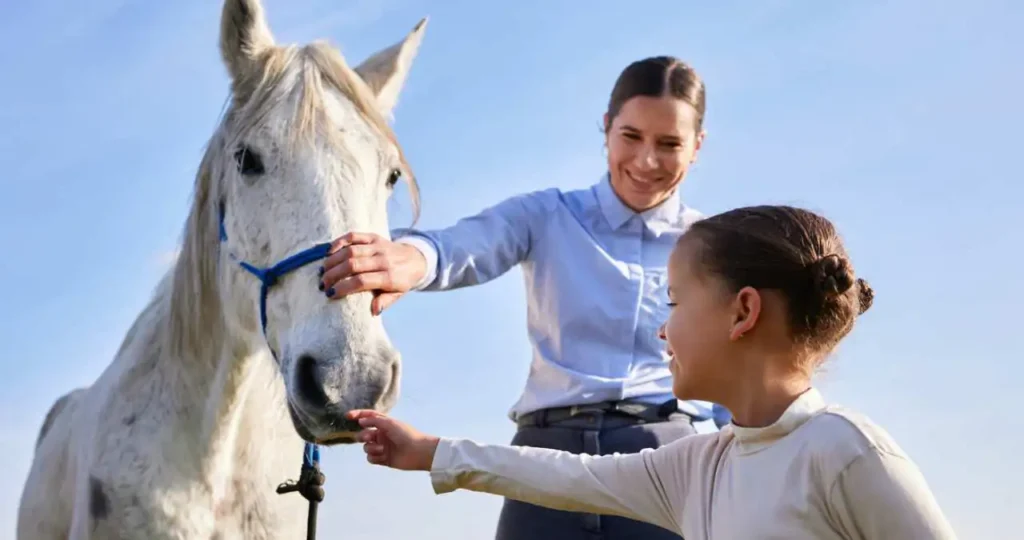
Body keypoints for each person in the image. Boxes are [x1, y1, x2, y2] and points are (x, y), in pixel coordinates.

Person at [347, 205, 959, 539]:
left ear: (743, 311)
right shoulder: (700, 466)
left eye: (674, 302)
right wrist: (430, 453)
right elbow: (569, 476)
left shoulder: (844, 452)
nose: (661, 331)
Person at [319, 55, 724, 539]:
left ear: (696, 147)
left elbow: (732, 370)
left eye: (669, 144)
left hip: (665, 461)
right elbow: (462, 246)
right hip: (545, 456)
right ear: (606, 127)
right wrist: (411, 258)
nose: (646, 161)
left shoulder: (713, 245)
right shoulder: (547, 215)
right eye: (631, 137)